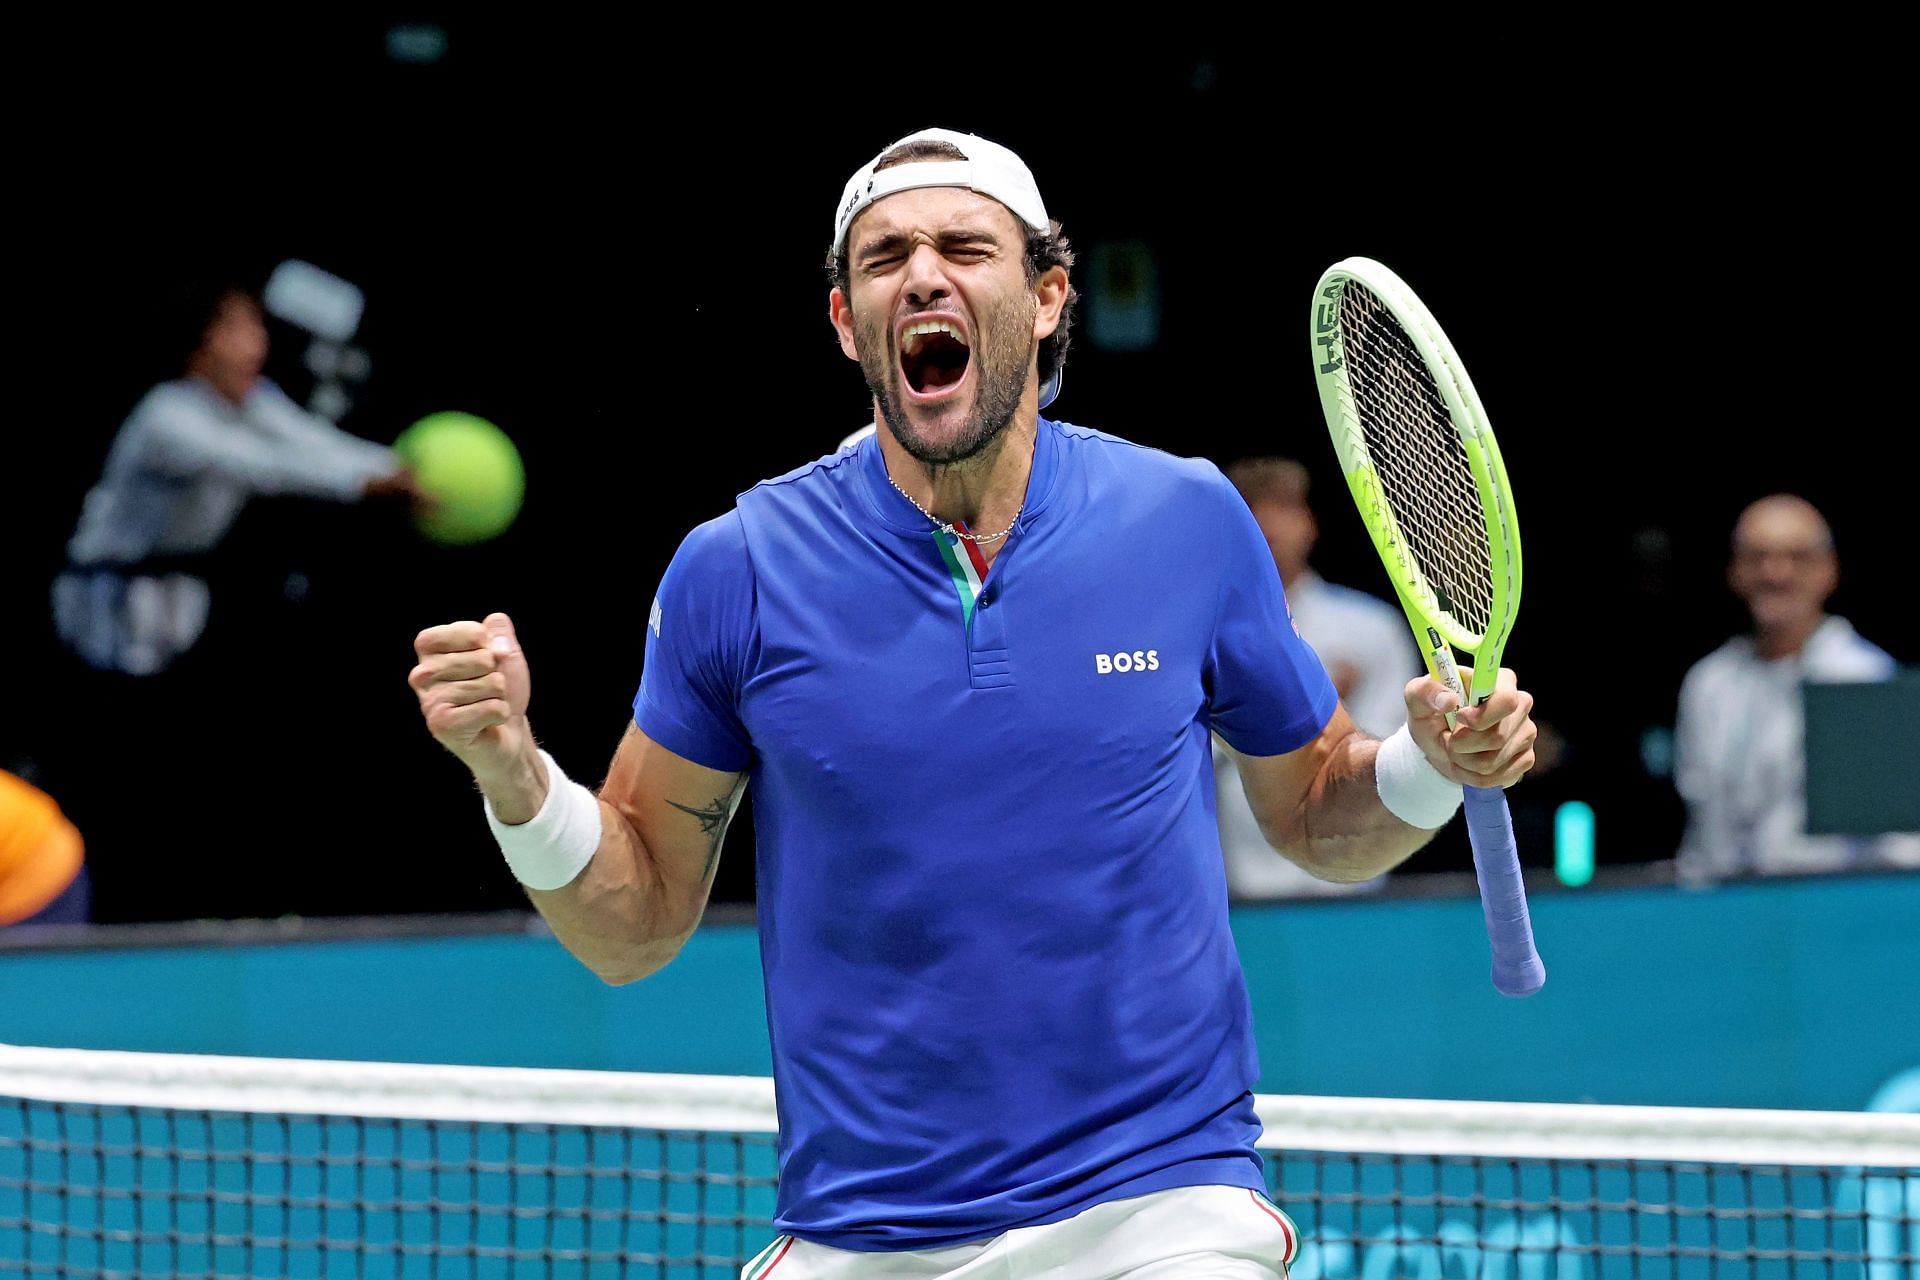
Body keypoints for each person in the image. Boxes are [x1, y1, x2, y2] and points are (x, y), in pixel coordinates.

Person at [407, 128, 1539, 1276]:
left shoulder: (1184, 520)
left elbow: (1317, 815)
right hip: (865, 1233)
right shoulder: (740, 566)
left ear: (1048, 298)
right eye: (885, 256)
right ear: (849, 321)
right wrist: (515, 775)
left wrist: (1429, 761)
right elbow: (633, 921)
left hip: (1153, 1211)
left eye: (964, 245)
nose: (924, 275)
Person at [53, 280, 417, 676]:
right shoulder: (167, 416)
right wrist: (360, 484)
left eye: (257, 327)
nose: (256, 343)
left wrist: (399, 466)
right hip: (104, 596)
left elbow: (315, 442)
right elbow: (262, 465)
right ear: (202, 342)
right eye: (238, 329)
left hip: (178, 593)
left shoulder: (255, 399)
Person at [1674, 494, 1920, 882]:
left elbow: (1900, 845)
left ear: (1829, 570)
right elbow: (1702, 832)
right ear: (1734, 570)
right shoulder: (1708, 685)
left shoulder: (1864, 677)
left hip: (1830, 911)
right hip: (1724, 913)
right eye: (1757, 557)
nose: (1775, 574)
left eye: (1797, 556)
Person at [1214, 457, 1424, 899]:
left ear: (1309, 524)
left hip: (1354, 879)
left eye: (1283, 506)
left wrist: (1326, 709)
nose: (1268, 524)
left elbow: (1395, 753)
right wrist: (1310, 697)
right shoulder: (1203, 630)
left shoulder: (1372, 626)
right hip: (1237, 886)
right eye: (1252, 507)